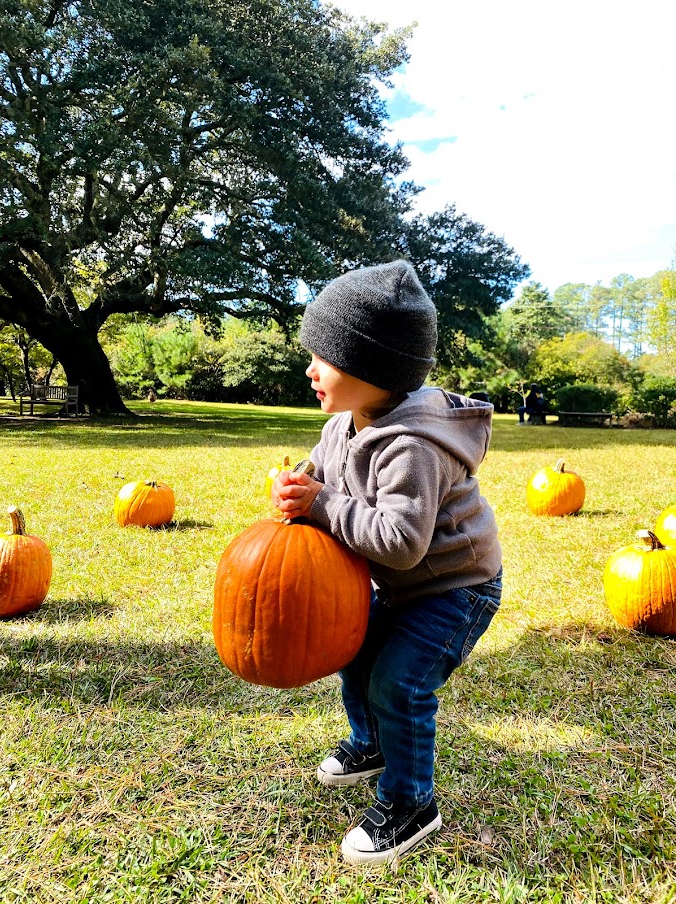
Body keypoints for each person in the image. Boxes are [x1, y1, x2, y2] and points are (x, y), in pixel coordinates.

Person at [271, 260, 502, 866]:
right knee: (357, 652)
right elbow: (322, 473)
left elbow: (401, 541)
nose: (310, 369)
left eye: (323, 357)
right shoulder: (344, 424)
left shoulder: (412, 448)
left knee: (398, 682)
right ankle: (370, 742)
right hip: (403, 587)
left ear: (370, 368)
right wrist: (299, 485)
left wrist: (321, 504)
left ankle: (411, 803)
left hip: (456, 588)